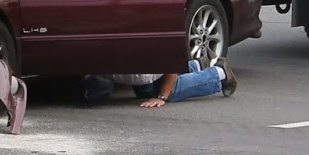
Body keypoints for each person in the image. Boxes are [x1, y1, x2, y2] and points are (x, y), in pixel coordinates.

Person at [80, 59, 237, 106]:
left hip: (154, 68)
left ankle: (218, 74)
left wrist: (162, 96)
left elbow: (171, 60)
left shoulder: (143, 74)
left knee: (171, 91)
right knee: (144, 91)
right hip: (145, 69)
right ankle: (195, 66)